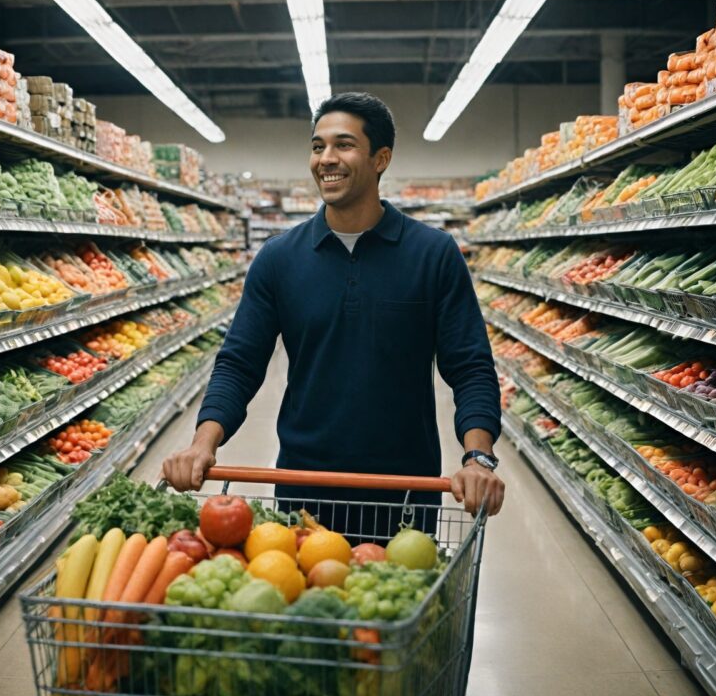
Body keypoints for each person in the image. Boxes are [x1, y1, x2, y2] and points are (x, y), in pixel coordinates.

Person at [162, 92, 504, 540]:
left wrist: (478, 459)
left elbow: (471, 366)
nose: (326, 159)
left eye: (343, 145)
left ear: (381, 158)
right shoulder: (278, 259)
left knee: (397, 607)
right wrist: (202, 444)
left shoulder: (433, 255)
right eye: (317, 146)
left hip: (405, 487)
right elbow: (240, 362)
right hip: (304, 486)